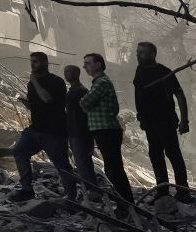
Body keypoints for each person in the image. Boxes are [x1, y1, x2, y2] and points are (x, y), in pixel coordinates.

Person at [11, 52, 76, 202]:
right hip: (36, 128)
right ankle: (27, 190)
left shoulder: (56, 81)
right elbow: (37, 103)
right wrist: (28, 104)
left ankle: (71, 197)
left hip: (53, 131)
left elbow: (47, 99)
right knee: (20, 151)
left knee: (62, 165)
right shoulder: (32, 84)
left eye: (36, 62)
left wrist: (35, 82)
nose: (32, 65)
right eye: (31, 62)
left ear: (45, 62)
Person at [133, 42, 192, 203]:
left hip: (165, 120)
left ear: (152, 54)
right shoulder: (139, 71)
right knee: (155, 155)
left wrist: (184, 120)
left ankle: (183, 192)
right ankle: (162, 191)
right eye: (138, 52)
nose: (138, 55)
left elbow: (180, 95)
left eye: (142, 52)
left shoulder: (164, 72)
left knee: (173, 154)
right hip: (149, 122)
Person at [79, 53, 134, 213]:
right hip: (105, 130)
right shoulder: (100, 82)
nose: (85, 67)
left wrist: (84, 102)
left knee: (113, 168)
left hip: (107, 130)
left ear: (98, 64)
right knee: (113, 168)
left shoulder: (101, 82)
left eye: (88, 63)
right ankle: (127, 204)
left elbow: (85, 103)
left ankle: (127, 204)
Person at [63, 65, 101, 201]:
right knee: (82, 163)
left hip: (81, 133)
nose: (66, 74)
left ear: (77, 73)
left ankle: (93, 191)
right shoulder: (76, 91)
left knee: (83, 162)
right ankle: (91, 190)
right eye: (65, 72)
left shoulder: (79, 91)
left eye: (69, 71)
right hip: (76, 132)